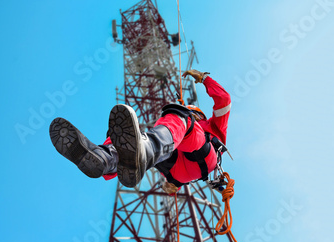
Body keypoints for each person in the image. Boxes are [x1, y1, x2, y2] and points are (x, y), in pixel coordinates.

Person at [49, 69, 231, 194]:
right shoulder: (176, 135)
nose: (193, 114)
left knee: (178, 118)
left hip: (202, 158)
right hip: (177, 172)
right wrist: (172, 185)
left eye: (194, 113)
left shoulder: (211, 125)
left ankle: (143, 151)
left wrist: (205, 78)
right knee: (127, 136)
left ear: (200, 115)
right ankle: (106, 158)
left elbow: (224, 100)